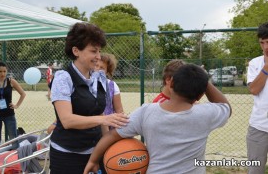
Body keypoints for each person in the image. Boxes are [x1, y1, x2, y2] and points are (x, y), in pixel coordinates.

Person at [84, 63, 232, 174]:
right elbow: (226, 107)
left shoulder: (147, 112)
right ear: (200, 95)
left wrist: (93, 159)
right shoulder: (206, 114)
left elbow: (112, 135)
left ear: (171, 83)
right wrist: (203, 81)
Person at [49, 22, 129, 174]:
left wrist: (107, 144)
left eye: (99, 51)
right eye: (93, 51)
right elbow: (67, 120)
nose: (98, 57)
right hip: (67, 155)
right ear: (76, 51)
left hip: (95, 152)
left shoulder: (99, 77)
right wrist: (104, 119)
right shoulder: (63, 78)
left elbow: (99, 113)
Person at [246, 21, 268, 174]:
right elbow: (253, 89)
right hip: (259, 127)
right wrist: (266, 67)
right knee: (255, 170)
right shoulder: (255, 63)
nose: (266, 47)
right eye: (262, 42)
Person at [0, 62, 26, 152]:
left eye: (4, 71)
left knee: (13, 138)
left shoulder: (11, 81)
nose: (2, 74)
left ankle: (16, 160)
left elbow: (23, 94)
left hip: (9, 115)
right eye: (0, 71)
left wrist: (17, 105)